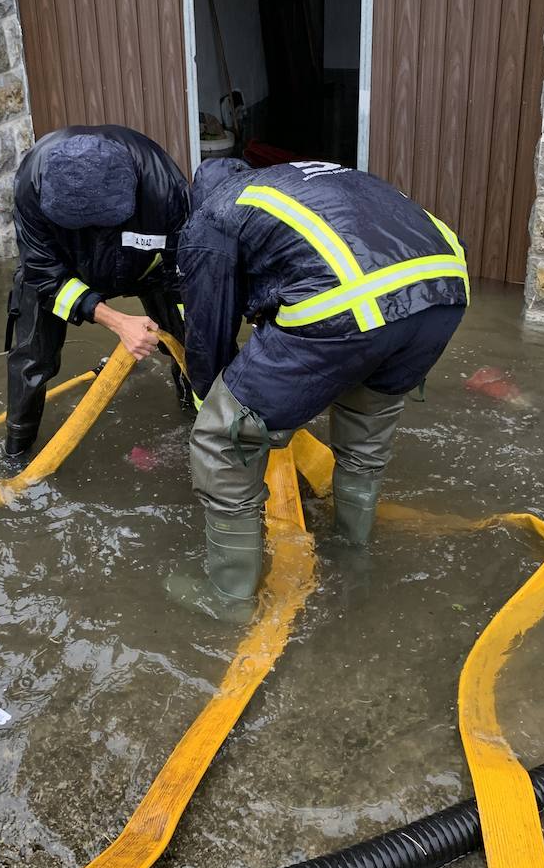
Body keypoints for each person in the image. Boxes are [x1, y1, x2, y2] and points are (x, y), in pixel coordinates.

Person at [169, 158, 468, 619]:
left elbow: (208, 331)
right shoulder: (295, 183)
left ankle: (228, 599)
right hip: (444, 290)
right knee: (365, 425)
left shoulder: (214, 215)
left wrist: (216, 405)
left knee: (220, 440)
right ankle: (352, 551)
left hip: (349, 298)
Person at [4, 124, 189, 465]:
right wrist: (117, 321)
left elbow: (185, 272)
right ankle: (16, 452)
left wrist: (190, 323)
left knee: (193, 339)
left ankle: (196, 416)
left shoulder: (164, 189)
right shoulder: (32, 183)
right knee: (32, 358)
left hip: (144, 267)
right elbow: (44, 274)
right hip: (64, 269)